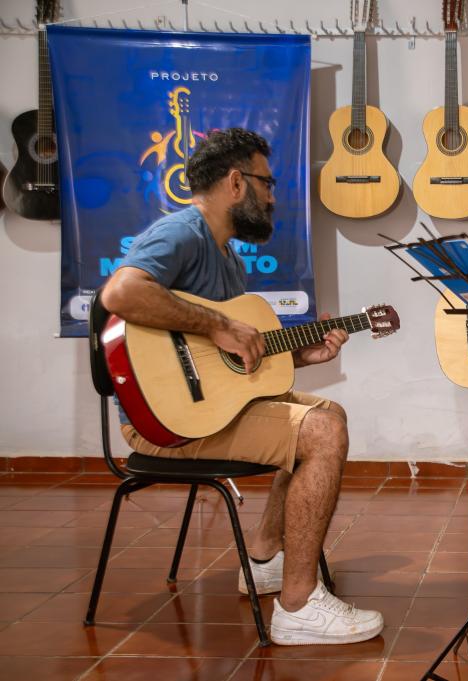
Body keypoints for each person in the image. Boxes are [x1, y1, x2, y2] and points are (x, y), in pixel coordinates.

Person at [101, 128, 383, 647]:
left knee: (327, 413)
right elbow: (120, 292)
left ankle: (265, 559)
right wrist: (215, 325)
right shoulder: (182, 232)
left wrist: (301, 353)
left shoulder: (225, 256)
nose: (274, 196)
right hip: (159, 423)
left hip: (197, 411)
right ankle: (298, 606)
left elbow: (232, 358)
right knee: (320, 432)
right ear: (236, 182)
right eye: (267, 182)